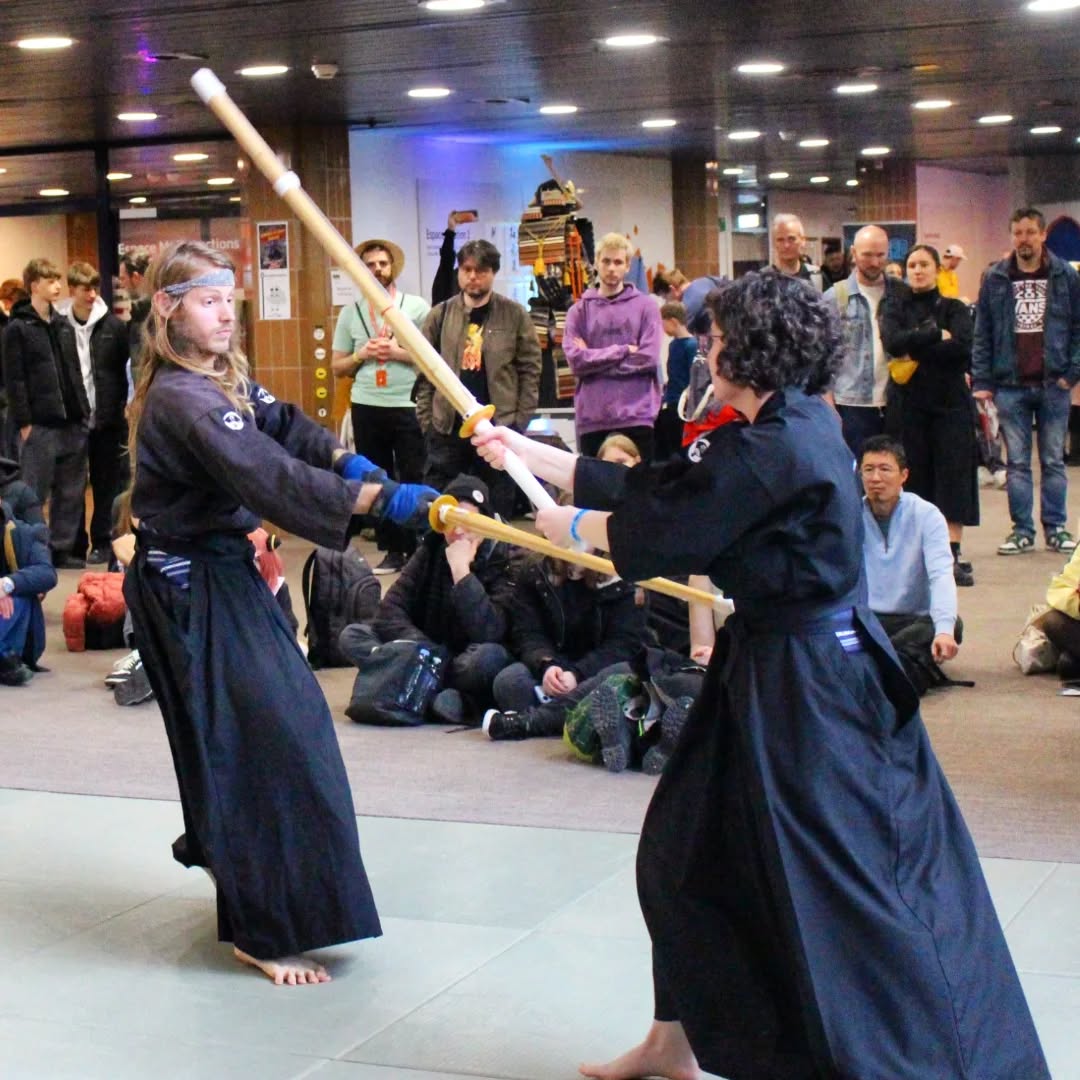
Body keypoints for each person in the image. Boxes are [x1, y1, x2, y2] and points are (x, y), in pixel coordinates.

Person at [472, 269, 1048, 1080]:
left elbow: (669, 521)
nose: (705, 345)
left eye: (717, 335)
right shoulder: (783, 422)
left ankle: (942, 1056)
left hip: (810, 685)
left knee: (850, 884)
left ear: (755, 348)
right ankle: (673, 1044)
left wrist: (571, 523)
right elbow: (671, 480)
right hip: (771, 662)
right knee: (680, 853)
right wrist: (528, 451)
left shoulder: (778, 446)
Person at [124, 239, 437, 985]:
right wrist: (378, 502)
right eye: (207, 300)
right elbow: (265, 476)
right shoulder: (182, 398)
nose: (227, 312)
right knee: (260, 743)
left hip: (226, 577)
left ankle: (253, 893)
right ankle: (262, 929)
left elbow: (287, 427)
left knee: (271, 736)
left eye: (229, 298)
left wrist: (348, 461)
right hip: (190, 590)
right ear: (167, 308)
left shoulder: (221, 375)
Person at [340, 473, 518, 724]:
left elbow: (490, 631)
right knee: (353, 636)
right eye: (450, 521)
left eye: (467, 521)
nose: (457, 531)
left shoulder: (503, 558)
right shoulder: (431, 548)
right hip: (427, 651)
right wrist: (427, 653)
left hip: (465, 659)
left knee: (488, 659)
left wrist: (462, 574)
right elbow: (389, 610)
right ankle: (431, 691)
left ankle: (411, 684)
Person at [973, 206, 1080, 556]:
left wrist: (1071, 373)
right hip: (1010, 386)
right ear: (1012, 237)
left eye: (1030, 232)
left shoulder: (1066, 276)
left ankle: (1057, 528)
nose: (1024, 239)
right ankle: (1022, 531)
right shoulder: (996, 277)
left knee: (1052, 461)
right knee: (1017, 463)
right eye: (1018, 233)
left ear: (1043, 234)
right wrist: (983, 381)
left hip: (1054, 385)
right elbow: (983, 331)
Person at [417, 239, 542, 519]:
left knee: (496, 509)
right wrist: (427, 421)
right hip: (447, 428)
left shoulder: (515, 315)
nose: (473, 276)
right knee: (442, 510)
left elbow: (530, 369)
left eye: (481, 270)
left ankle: (493, 561)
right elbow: (425, 371)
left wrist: (519, 421)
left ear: (493, 273)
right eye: (467, 269)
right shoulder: (440, 314)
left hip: (497, 427)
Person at [879, 243, 979, 586]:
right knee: (915, 479)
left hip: (952, 407)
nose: (918, 271)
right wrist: (936, 335)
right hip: (909, 408)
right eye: (912, 265)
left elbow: (963, 350)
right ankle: (918, 554)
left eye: (924, 264)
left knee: (953, 480)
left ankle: (950, 556)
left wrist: (916, 347)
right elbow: (893, 342)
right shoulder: (894, 306)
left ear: (937, 269)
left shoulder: (955, 307)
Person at [331, 238, 430, 575]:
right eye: (369, 265)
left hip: (408, 404)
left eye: (382, 264)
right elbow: (337, 366)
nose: (376, 270)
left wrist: (396, 353)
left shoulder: (416, 308)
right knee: (377, 478)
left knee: (413, 473)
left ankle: (421, 547)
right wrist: (362, 354)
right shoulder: (350, 313)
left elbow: (431, 360)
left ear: (393, 268)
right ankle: (393, 549)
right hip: (366, 405)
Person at [1, 258, 89, 568]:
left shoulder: (63, 324)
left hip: (72, 422)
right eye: (50, 280)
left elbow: (75, 371)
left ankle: (61, 549)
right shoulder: (17, 328)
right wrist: (25, 422)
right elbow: (15, 379)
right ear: (34, 285)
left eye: (58, 280)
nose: (57, 286)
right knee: (34, 492)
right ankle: (30, 553)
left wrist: (84, 412)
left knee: (71, 491)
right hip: (39, 423)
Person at [860, 435, 964, 691]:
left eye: (885, 469)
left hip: (913, 620)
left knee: (952, 625)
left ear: (903, 475)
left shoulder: (927, 515)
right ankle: (903, 671)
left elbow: (941, 575)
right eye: (868, 470)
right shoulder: (849, 515)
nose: (875, 478)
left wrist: (943, 631)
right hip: (867, 618)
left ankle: (876, 667)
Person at [564, 232, 663, 460]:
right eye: (606, 261)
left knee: (640, 490)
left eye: (618, 262)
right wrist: (623, 350)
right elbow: (576, 363)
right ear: (596, 263)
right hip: (593, 419)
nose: (611, 268)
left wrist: (594, 360)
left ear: (627, 266)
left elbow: (648, 358)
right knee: (597, 493)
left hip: (637, 416)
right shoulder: (578, 312)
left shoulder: (646, 307)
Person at [58, 261, 131, 565]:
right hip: (72, 418)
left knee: (106, 484)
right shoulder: (59, 327)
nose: (92, 295)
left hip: (108, 416)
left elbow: (125, 370)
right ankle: (74, 544)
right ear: (72, 290)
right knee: (71, 485)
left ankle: (102, 540)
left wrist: (125, 405)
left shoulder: (113, 327)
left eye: (95, 288)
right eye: (86, 289)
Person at [823, 224, 900, 458]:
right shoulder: (836, 296)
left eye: (880, 255)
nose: (875, 262)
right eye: (867, 255)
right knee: (855, 477)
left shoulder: (901, 293)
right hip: (851, 405)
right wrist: (828, 402)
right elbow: (821, 356)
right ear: (853, 253)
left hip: (896, 402)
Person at [0, 492, 57, 686]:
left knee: (20, 598)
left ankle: (7, 658)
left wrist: (8, 584)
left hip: (10, 618)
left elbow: (46, 573)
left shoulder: (24, 533)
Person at [654, 301, 696, 460]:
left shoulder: (691, 345)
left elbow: (693, 376)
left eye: (662, 323)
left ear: (673, 321)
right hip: (670, 401)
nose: (662, 328)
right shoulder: (673, 345)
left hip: (682, 405)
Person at [769, 213, 823, 290]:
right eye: (780, 240)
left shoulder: (816, 275)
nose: (786, 245)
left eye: (791, 239)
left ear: (803, 241)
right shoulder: (763, 281)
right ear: (774, 243)